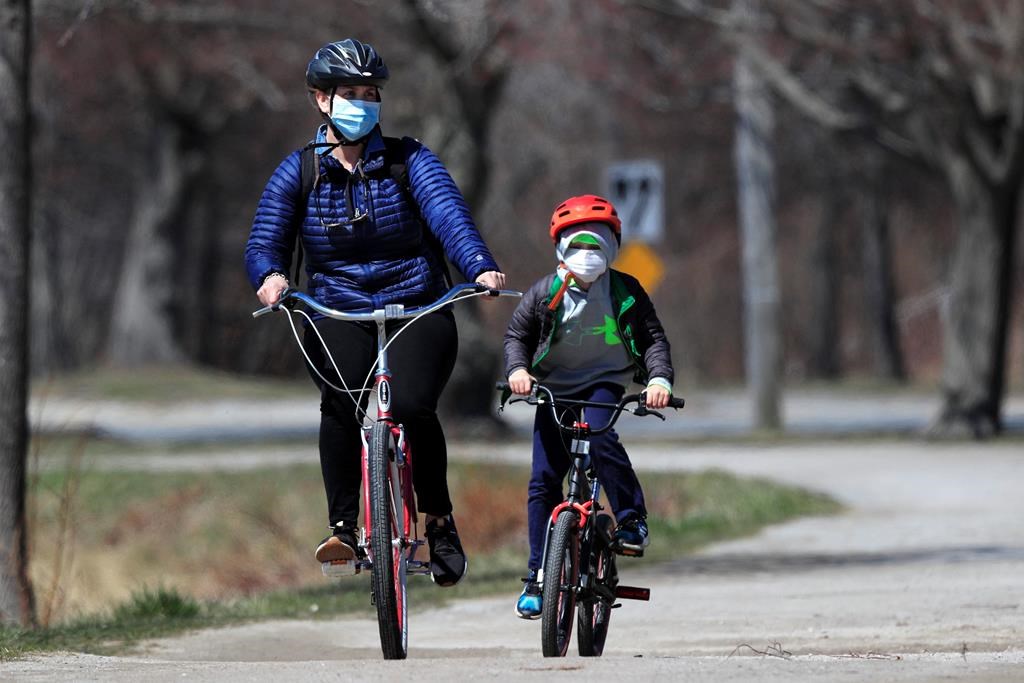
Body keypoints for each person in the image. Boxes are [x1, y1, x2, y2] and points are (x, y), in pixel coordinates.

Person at [244, 38, 506, 587]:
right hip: (335, 308)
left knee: (412, 406)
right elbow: (264, 241)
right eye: (349, 94)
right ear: (321, 100)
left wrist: (478, 266)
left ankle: (439, 521)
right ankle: (342, 526)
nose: (362, 103)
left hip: (417, 303)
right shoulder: (299, 173)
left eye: (371, 94)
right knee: (339, 405)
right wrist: (269, 278)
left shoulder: (412, 161)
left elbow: (449, 217)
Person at [502, 194, 674, 618]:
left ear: (613, 247)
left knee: (599, 438)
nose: (587, 255)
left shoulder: (625, 291)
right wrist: (518, 371)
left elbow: (653, 340)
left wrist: (659, 379)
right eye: (578, 245)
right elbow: (516, 338)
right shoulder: (545, 293)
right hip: (554, 388)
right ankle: (539, 577)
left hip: (604, 383)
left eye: (597, 245)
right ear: (559, 248)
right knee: (543, 480)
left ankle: (631, 518)